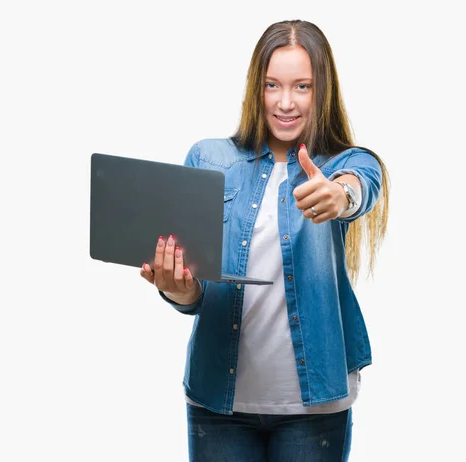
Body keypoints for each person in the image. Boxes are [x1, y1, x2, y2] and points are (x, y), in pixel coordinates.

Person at [140, 19, 389, 462]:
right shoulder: (208, 159)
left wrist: (340, 194)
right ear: (257, 88)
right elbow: (194, 293)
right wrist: (177, 289)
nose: (286, 102)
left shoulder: (342, 163)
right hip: (218, 404)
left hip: (314, 412)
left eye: (302, 87)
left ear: (323, 90)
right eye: (273, 85)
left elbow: (361, 186)